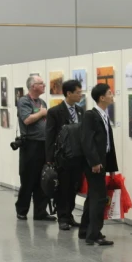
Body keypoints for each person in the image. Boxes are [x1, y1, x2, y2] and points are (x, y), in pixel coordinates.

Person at [79, 83, 117, 246]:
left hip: (102, 162)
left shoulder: (104, 115)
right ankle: (94, 234)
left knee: (93, 197)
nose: (112, 94)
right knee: (99, 198)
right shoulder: (91, 115)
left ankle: (85, 230)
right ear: (102, 97)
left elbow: (109, 144)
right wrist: (94, 162)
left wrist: (112, 168)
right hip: (94, 164)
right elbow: (87, 141)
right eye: (109, 93)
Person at [45, 79, 84, 231]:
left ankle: (69, 214)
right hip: (62, 158)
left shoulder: (80, 111)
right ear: (69, 93)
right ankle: (62, 216)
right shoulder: (55, 112)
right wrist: (49, 160)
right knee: (63, 188)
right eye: (78, 93)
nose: (80, 95)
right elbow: (49, 136)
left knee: (74, 188)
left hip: (77, 156)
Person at [15, 76, 54, 221]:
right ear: (33, 86)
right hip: (30, 144)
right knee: (28, 179)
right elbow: (27, 119)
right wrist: (42, 113)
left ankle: (40, 211)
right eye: (41, 83)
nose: (44, 85)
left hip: (43, 144)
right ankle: (22, 210)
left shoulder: (41, 101)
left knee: (42, 179)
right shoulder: (24, 101)